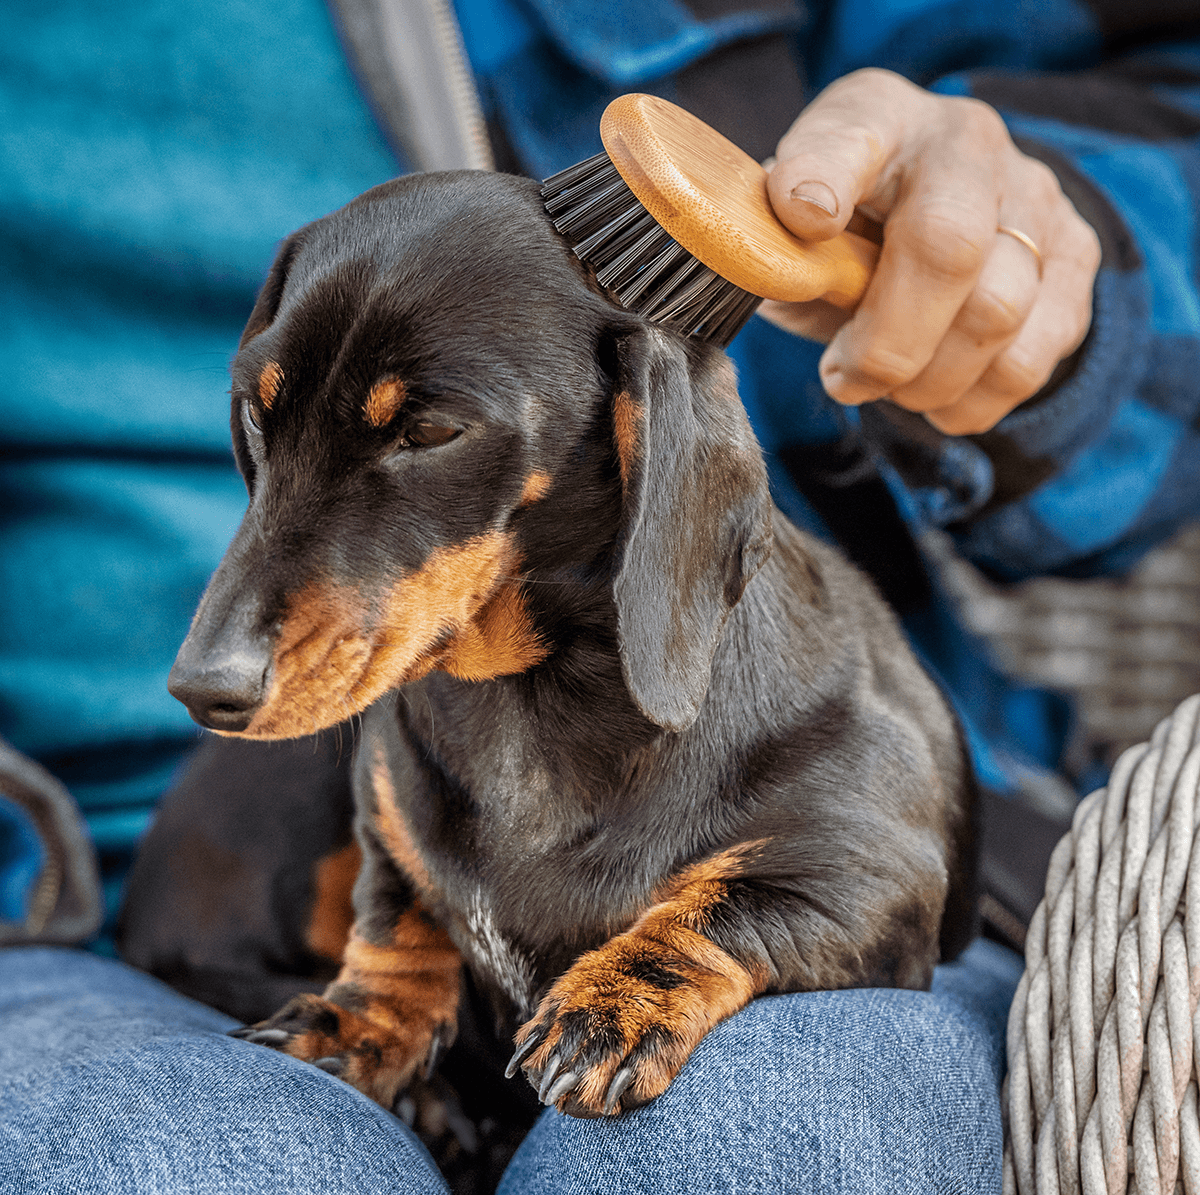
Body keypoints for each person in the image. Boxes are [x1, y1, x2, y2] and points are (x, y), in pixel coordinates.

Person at [2, 0, 1198, 1190]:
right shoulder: (402, 723)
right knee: (194, 1160)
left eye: (424, 431)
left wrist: (1050, 277)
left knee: (779, 1140)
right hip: (87, 908)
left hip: (785, 831)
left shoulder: (657, 444)